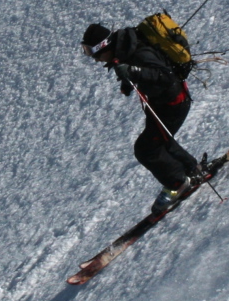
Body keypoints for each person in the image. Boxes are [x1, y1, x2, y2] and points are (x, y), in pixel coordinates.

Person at [82, 22, 202, 213]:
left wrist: (132, 72)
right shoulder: (124, 49)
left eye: (92, 52)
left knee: (146, 149)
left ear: (103, 46)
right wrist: (129, 81)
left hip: (173, 104)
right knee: (161, 139)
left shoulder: (137, 52)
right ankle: (191, 169)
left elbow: (165, 76)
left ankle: (178, 183)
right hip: (160, 103)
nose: (95, 59)